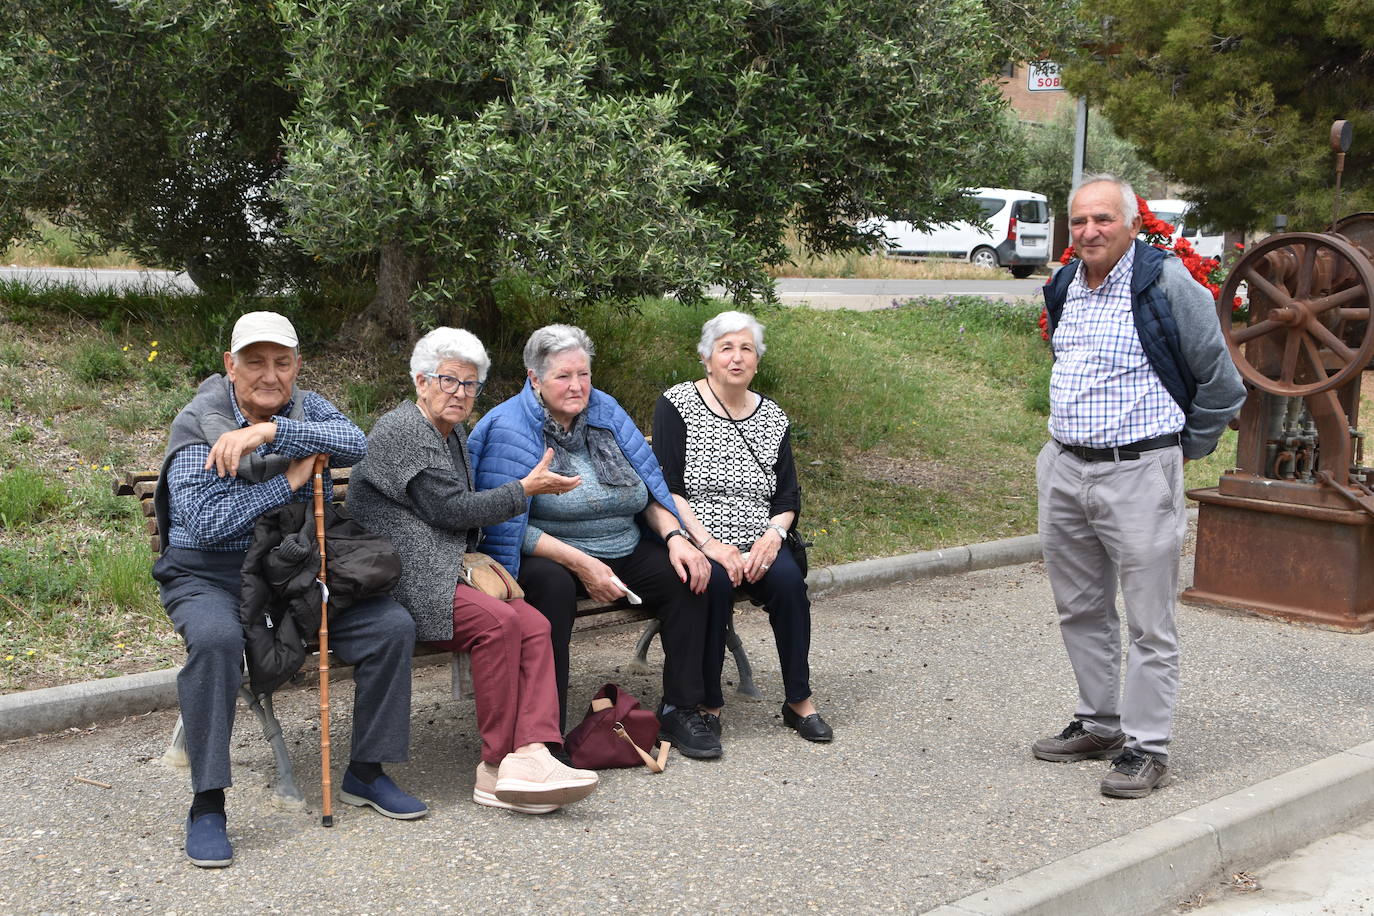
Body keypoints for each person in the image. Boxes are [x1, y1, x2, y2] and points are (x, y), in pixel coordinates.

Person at [152, 311, 425, 869]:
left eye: (282, 362)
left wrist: (271, 432)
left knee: (390, 627)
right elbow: (208, 523)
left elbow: (354, 442)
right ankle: (207, 805)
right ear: (230, 366)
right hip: (210, 576)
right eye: (254, 362)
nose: (270, 375)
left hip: (288, 572)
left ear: (297, 365)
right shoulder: (198, 422)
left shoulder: (306, 407)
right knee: (215, 642)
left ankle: (366, 772)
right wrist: (291, 479)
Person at [1032, 175, 1245, 798]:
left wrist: (1176, 452)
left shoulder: (1168, 284)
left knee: (1150, 623)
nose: (1089, 231)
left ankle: (1147, 747)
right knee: (1080, 608)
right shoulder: (1066, 284)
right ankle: (1100, 723)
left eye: (1102, 219)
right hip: (1065, 467)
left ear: (1131, 223)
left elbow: (1222, 385)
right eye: (1079, 221)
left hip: (1140, 471)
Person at [346, 327, 600, 814]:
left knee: (534, 624)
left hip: (442, 568)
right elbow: (450, 509)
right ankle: (496, 765)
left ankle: (533, 751)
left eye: (469, 384)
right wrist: (524, 490)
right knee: (498, 624)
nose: (460, 393)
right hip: (400, 577)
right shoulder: (403, 431)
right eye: (448, 380)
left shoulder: (452, 431)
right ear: (421, 382)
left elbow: (454, 515)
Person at [467, 324, 721, 759]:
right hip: (549, 552)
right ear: (534, 378)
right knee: (552, 590)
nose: (577, 386)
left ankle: (680, 708)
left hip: (621, 542)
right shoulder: (508, 427)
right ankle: (544, 733)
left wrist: (676, 537)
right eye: (564, 376)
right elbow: (504, 523)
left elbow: (648, 487)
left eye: (583, 374)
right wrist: (582, 564)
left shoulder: (605, 411)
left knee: (692, 577)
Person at [651, 311, 832, 742]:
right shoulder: (677, 404)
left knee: (788, 585)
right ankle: (709, 704)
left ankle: (799, 701)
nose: (737, 358)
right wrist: (709, 544)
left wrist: (773, 536)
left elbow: (787, 496)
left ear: (757, 360)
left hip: (759, 539)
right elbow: (667, 486)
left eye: (746, 349)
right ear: (706, 357)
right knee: (712, 583)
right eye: (726, 348)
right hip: (698, 536)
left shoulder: (773, 416)